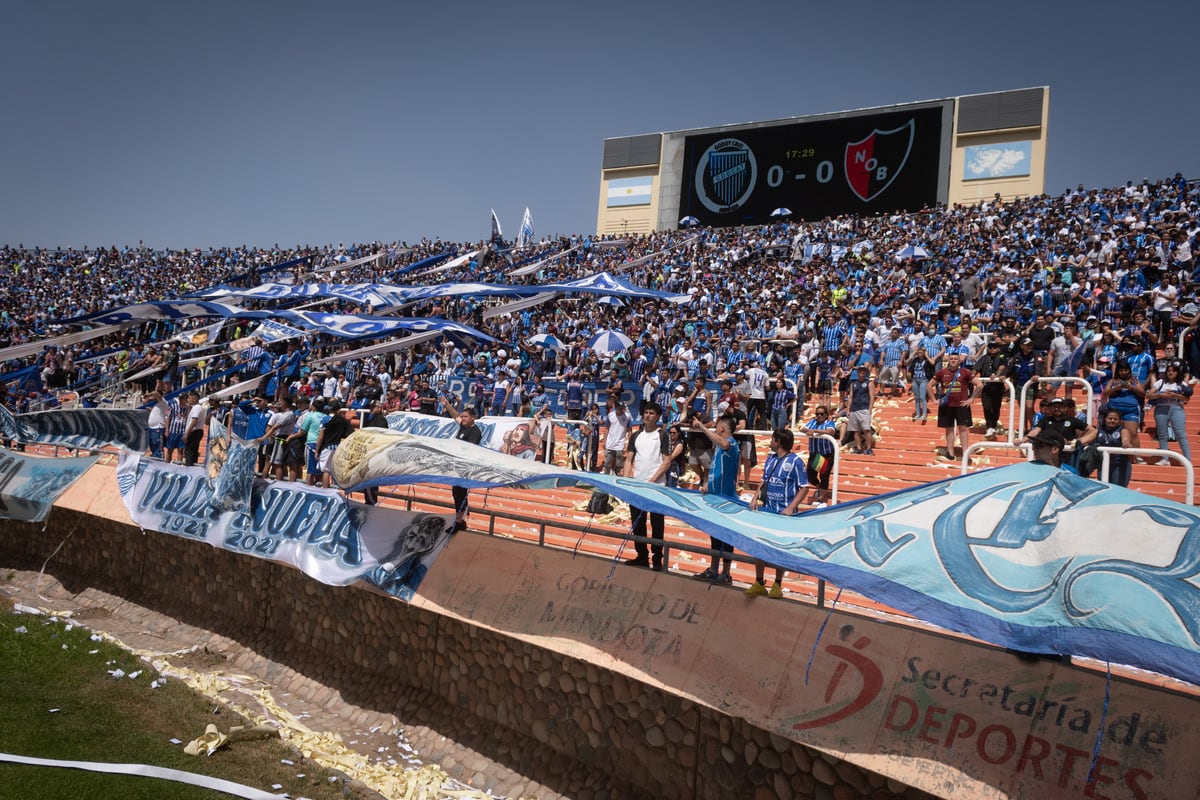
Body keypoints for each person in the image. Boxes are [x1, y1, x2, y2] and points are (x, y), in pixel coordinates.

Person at [746, 427, 810, 599]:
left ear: (778, 441)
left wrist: (791, 508)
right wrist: (754, 498)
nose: (770, 442)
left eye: (773, 439)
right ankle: (759, 582)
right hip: (766, 510)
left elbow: (804, 487)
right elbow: (764, 481)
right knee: (759, 546)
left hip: (783, 515)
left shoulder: (796, 462)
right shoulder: (770, 459)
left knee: (778, 549)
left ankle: (777, 584)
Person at [623, 402, 678, 572]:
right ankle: (641, 555)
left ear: (658, 416)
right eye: (645, 412)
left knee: (656, 524)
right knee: (637, 523)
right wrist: (626, 481)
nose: (647, 415)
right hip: (637, 487)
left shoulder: (663, 435)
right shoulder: (635, 436)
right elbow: (628, 459)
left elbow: (667, 461)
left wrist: (652, 480)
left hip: (656, 487)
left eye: (651, 413)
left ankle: (657, 558)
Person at [690, 415, 739, 585]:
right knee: (715, 536)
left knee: (726, 538)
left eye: (717, 426)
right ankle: (713, 569)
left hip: (726, 499)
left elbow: (724, 443)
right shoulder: (719, 448)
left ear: (722, 428)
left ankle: (725, 573)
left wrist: (703, 427)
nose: (715, 429)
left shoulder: (731, 443)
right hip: (715, 496)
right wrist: (707, 485)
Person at [439, 393, 483, 530]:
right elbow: (455, 416)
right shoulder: (464, 426)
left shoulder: (475, 431)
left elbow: (469, 449)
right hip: (456, 466)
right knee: (456, 493)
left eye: (466, 417)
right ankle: (460, 518)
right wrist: (447, 405)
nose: (462, 419)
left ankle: (460, 521)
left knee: (460, 493)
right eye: (462, 417)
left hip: (465, 467)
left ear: (473, 418)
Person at [933, 352, 982, 460]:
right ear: (948, 360)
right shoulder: (941, 372)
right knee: (949, 429)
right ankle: (950, 453)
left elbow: (979, 385)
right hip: (946, 405)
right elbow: (929, 385)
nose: (953, 360)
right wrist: (934, 400)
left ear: (959, 361)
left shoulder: (965, 372)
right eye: (951, 359)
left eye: (955, 359)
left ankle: (965, 453)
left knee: (963, 428)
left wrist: (972, 399)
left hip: (961, 404)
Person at [1147, 362, 1192, 465]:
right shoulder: (1161, 382)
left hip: (1176, 408)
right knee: (1162, 434)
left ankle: (1187, 459)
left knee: (1180, 434)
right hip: (1161, 408)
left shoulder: (1182, 384)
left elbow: (1186, 399)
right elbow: (1149, 395)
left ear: (1177, 372)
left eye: (1173, 371)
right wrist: (1160, 395)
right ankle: (1165, 459)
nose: (1171, 373)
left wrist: (1174, 395)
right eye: (1169, 371)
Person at [1099, 359, 1146, 457]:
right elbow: (1105, 393)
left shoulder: (1134, 380)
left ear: (1129, 370)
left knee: (1133, 433)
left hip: (1131, 410)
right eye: (1121, 370)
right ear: (1118, 371)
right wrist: (1116, 388)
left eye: (1126, 370)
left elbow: (1142, 394)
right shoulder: (1112, 381)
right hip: (1114, 410)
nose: (1124, 372)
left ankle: (1137, 456)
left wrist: (1131, 387)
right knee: (1113, 431)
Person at [314, 401, 354, 489]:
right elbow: (350, 433)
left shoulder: (325, 419)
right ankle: (335, 490)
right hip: (337, 447)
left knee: (326, 470)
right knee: (334, 471)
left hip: (327, 447)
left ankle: (325, 490)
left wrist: (317, 450)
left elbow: (320, 437)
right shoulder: (343, 420)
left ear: (329, 408)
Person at [803, 405, 837, 506]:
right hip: (814, 453)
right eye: (817, 414)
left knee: (824, 475)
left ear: (826, 415)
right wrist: (808, 431)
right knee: (810, 475)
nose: (819, 416)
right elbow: (803, 428)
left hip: (826, 454)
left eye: (821, 414)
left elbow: (830, 431)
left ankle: (821, 498)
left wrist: (815, 431)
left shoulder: (829, 422)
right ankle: (821, 488)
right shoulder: (813, 422)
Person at [1095, 406, 1133, 486]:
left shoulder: (1123, 430)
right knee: (1103, 489)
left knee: (1118, 489)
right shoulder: (1098, 431)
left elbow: (1125, 440)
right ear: (1105, 419)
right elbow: (1087, 438)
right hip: (1103, 464)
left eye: (1115, 419)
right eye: (1110, 418)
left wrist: (1126, 443)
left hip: (1119, 465)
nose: (1112, 421)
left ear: (1119, 421)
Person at [845, 364, 876, 455]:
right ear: (858, 372)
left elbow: (871, 396)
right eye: (860, 371)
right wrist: (848, 409)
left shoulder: (869, 383)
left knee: (866, 429)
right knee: (855, 430)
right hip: (854, 408)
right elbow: (850, 397)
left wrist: (870, 408)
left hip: (864, 408)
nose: (862, 372)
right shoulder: (853, 384)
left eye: (863, 371)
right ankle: (858, 447)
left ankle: (869, 447)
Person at [603, 400, 633, 475]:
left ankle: (618, 479)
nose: (620, 410)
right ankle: (605, 479)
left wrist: (630, 443)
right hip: (610, 443)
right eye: (619, 408)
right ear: (615, 408)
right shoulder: (610, 415)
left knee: (619, 465)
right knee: (607, 464)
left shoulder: (627, 417)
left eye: (622, 408)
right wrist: (604, 440)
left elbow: (629, 431)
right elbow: (607, 428)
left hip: (620, 444)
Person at [182, 392, 207, 467]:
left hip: (194, 432)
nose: (188, 400)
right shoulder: (196, 408)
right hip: (196, 431)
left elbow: (194, 421)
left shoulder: (197, 408)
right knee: (193, 451)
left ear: (194, 399)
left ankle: (189, 468)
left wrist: (186, 434)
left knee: (189, 452)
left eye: (189, 398)